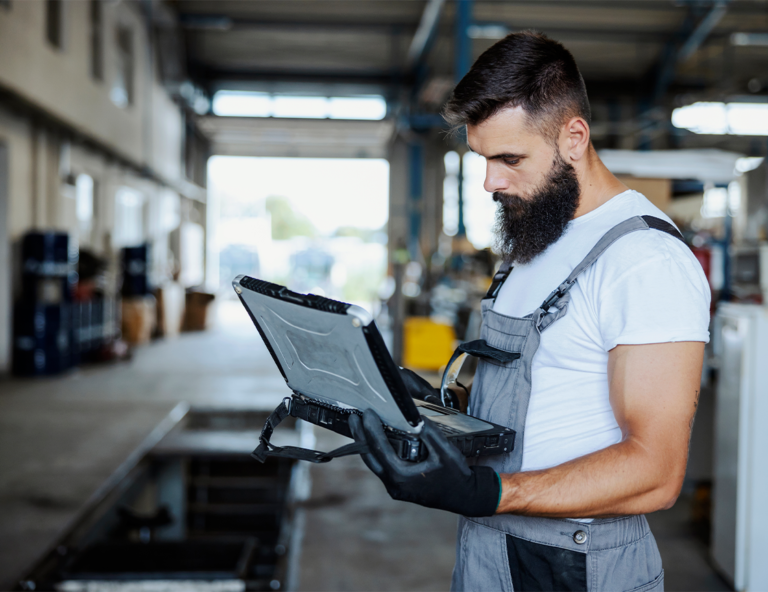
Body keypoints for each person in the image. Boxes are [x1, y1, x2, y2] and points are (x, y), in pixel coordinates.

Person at [349, 31, 710, 592]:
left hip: (576, 564)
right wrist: (438, 404)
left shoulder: (644, 261)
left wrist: (492, 492)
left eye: (509, 158)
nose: (491, 180)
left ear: (573, 137)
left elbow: (656, 471)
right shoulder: (534, 243)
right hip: (492, 544)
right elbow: (546, 401)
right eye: (482, 158)